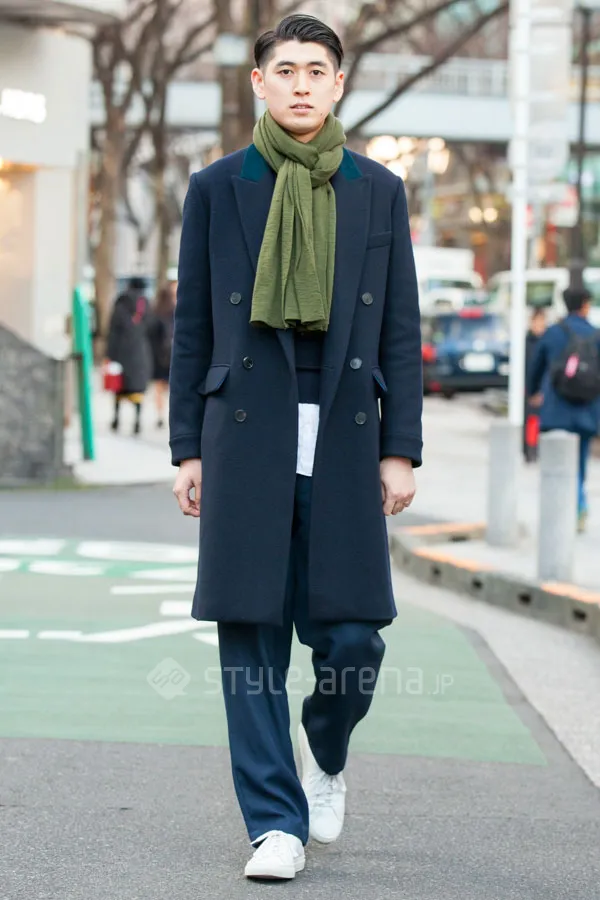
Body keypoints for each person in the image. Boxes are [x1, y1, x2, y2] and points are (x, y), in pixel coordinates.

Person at [169, 14, 422, 881]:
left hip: (347, 437)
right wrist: (187, 449)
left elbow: (399, 329)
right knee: (250, 635)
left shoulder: (378, 189)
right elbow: (193, 327)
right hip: (246, 435)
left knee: (353, 638)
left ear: (339, 83)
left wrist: (402, 447)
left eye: (318, 69)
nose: (302, 83)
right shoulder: (217, 187)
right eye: (286, 69)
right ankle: (274, 824)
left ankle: (327, 750)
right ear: (260, 83)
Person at [528, 286, 600, 532]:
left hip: (556, 409)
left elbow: (536, 367)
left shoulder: (553, 333)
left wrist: (534, 392)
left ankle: (568, 507)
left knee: (557, 463)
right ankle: (579, 502)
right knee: (580, 461)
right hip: (587, 408)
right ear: (585, 304)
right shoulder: (595, 334)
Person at [106, 276, 153, 435]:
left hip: (121, 352)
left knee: (119, 386)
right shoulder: (146, 304)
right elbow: (151, 328)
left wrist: (109, 354)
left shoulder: (120, 303)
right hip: (140, 352)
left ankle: (116, 419)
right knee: (137, 388)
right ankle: (137, 421)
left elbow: (113, 331)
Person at [148, 281, 176, 429]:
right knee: (172, 387)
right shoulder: (174, 311)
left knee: (159, 387)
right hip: (171, 354)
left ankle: (160, 415)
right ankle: (170, 413)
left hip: (158, 356)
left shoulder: (155, 311)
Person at [523, 307, 547, 462]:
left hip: (544, 387)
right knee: (532, 419)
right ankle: (530, 450)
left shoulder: (547, 342)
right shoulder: (527, 342)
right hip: (530, 387)